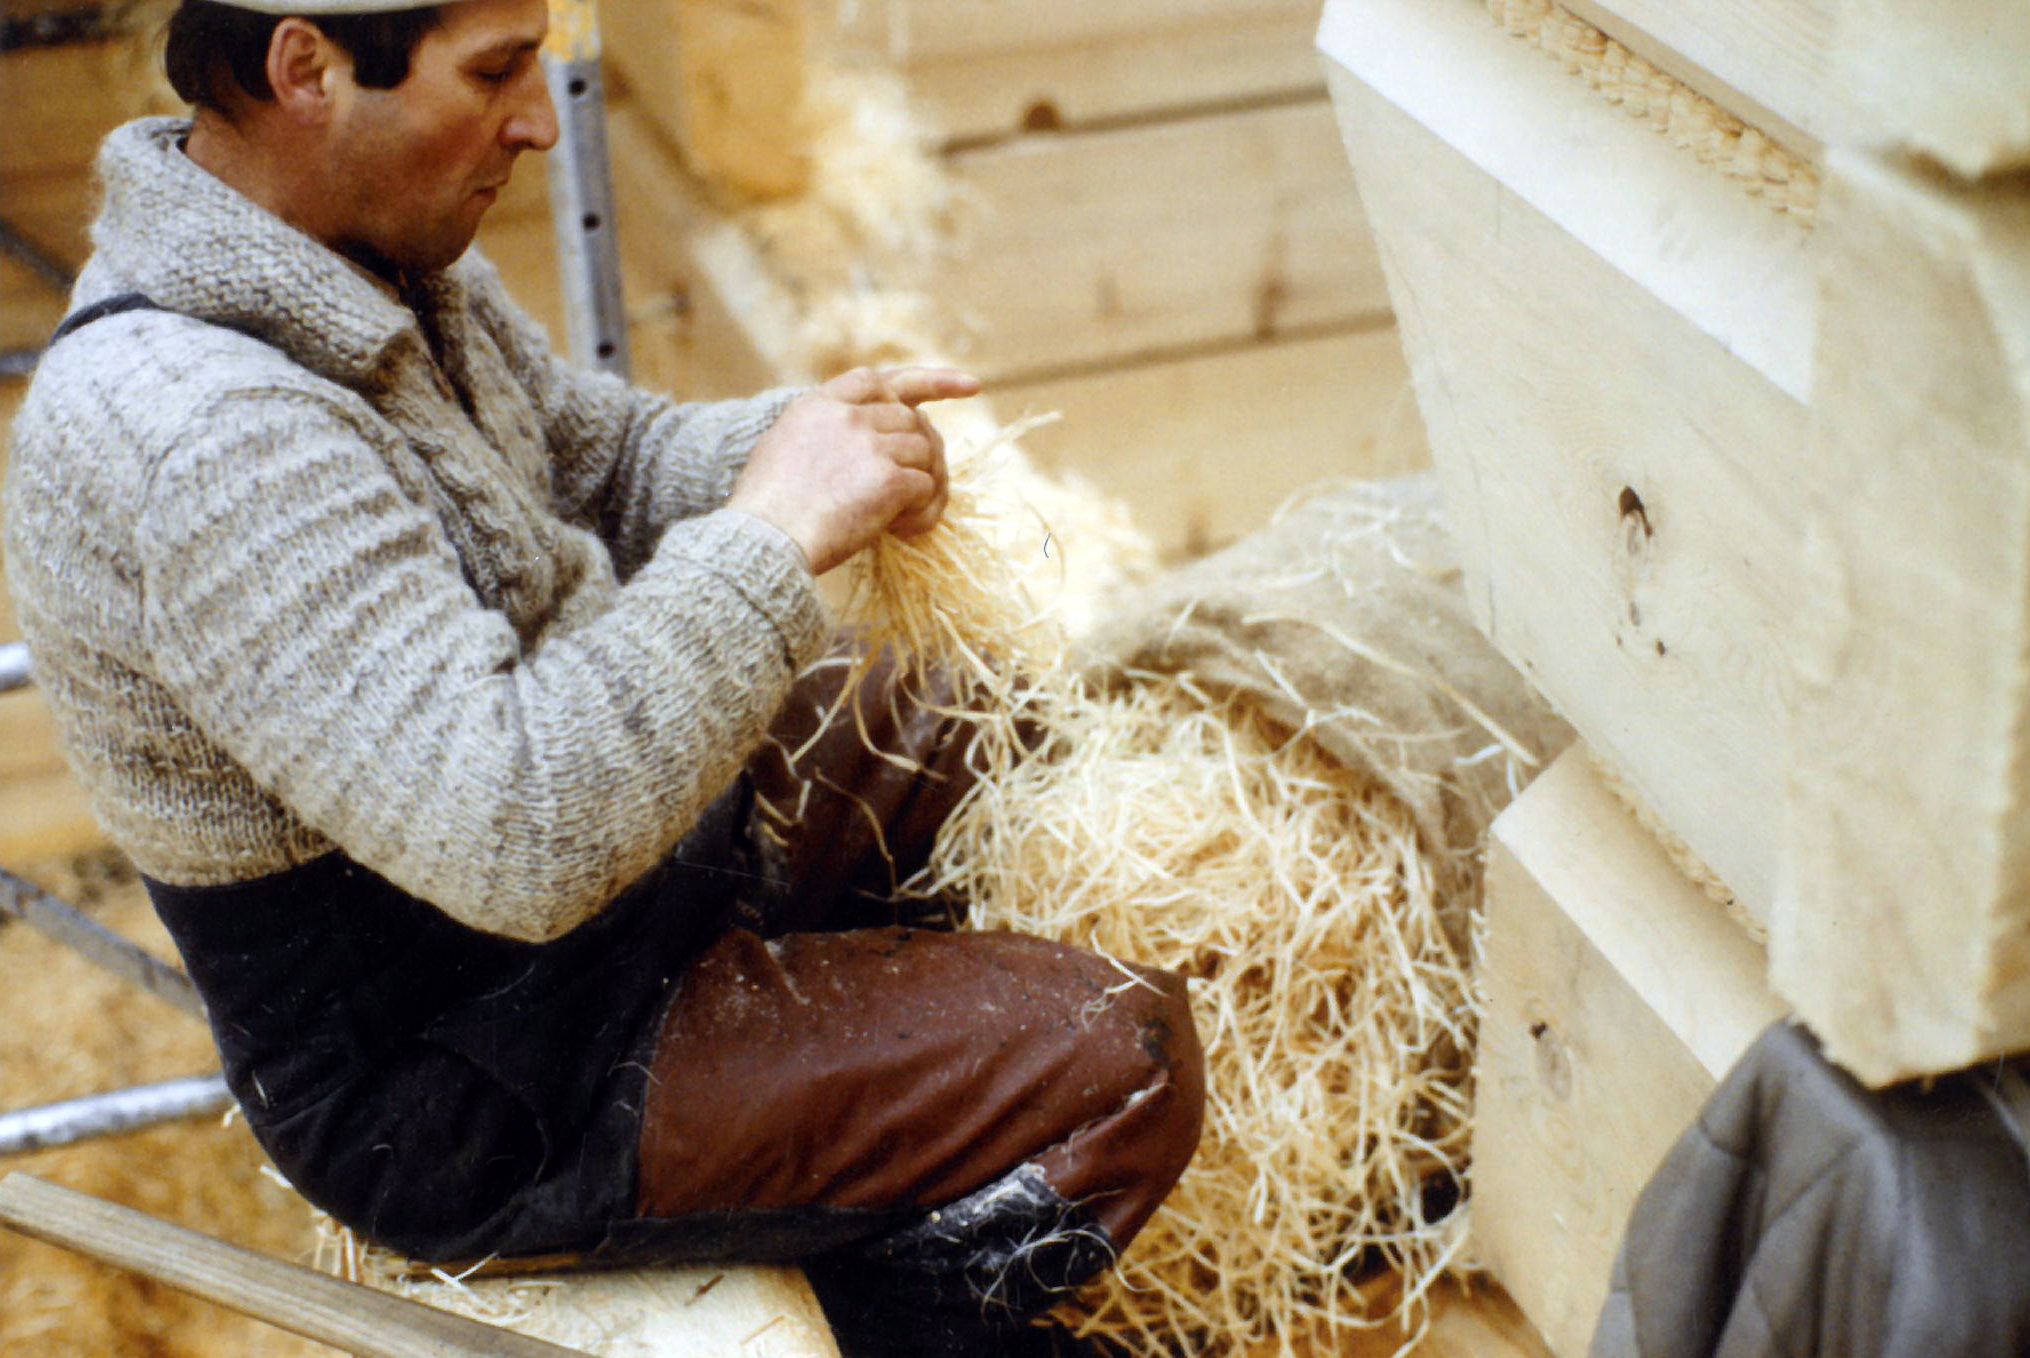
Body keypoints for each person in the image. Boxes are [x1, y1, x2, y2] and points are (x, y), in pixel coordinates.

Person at [1, 0, 1205, 1351]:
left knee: (965, 699)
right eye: (498, 71)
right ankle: (843, 1317)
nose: (538, 116)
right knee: (1120, 1058)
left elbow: (610, 464)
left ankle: (847, 1080)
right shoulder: (200, 433)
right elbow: (517, 832)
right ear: (308, 69)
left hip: (624, 899)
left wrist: (808, 440)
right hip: (480, 1073)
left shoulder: (361, 261)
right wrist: (773, 528)